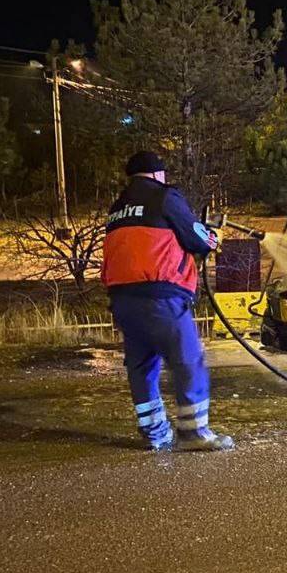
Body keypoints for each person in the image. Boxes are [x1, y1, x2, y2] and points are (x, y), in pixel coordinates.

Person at [102, 151, 233, 452]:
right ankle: (193, 433)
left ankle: (155, 434)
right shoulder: (164, 197)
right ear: (157, 174)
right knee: (188, 360)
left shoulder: (117, 208)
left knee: (142, 365)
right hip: (160, 296)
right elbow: (198, 238)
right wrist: (215, 237)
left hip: (123, 300)